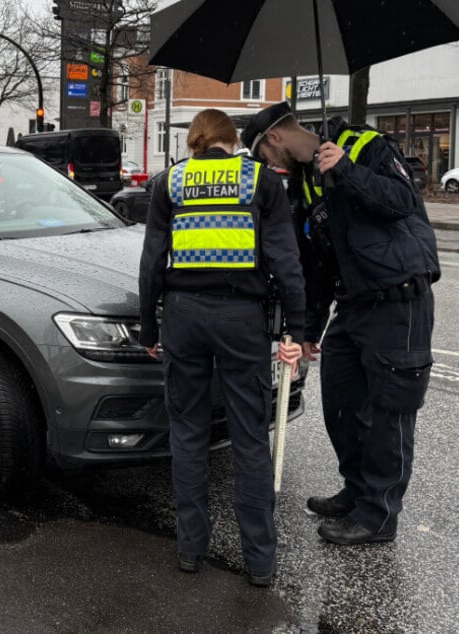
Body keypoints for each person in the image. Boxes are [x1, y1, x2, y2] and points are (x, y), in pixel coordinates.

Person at [241, 102, 440, 546]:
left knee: (390, 413)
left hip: (398, 300)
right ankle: (357, 491)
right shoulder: (304, 183)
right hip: (353, 307)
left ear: (274, 138)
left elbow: (404, 201)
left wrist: (348, 170)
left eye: (264, 156)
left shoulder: (364, 146)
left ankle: (378, 515)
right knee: (341, 403)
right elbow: (315, 263)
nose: (268, 167)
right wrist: (310, 328)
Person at [138, 109, 304, 587]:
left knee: (187, 434)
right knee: (250, 437)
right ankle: (259, 561)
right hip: (241, 319)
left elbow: (152, 261)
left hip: (184, 317)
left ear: (194, 141)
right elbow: (285, 260)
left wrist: (151, 330)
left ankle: (190, 549)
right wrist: (298, 326)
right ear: (233, 141)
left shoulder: (170, 182)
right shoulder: (259, 181)